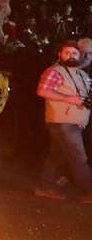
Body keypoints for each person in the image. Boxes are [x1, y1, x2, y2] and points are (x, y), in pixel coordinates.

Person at [36, 40, 92, 201]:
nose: (71, 55)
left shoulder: (81, 74)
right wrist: (68, 98)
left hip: (74, 122)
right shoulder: (55, 71)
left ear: (80, 55)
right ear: (60, 54)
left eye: (74, 53)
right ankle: (88, 191)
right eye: (67, 52)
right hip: (63, 122)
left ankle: (45, 188)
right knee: (79, 157)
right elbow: (42, 91)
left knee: (57, 156)